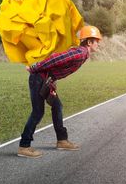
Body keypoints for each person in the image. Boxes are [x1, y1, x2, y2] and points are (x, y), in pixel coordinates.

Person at [18, 25, 102, 158]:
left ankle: (62, 141)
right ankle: (24, 146)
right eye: (97, 41)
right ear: (89, 42)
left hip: (46, 80)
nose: (98, 44)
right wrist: (35, 67)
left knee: (57, 106)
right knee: (38, 112)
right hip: (38, 78)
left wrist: (52, 81)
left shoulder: (83, 54)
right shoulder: (80, 52)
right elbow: (56, 58)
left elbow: (58, 67)